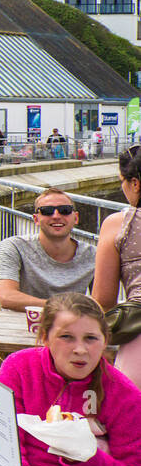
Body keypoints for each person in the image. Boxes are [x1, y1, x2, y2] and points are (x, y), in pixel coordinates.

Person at [0, 292, 141, 466]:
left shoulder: (124, 395)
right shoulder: (19, 368)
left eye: (91, 338)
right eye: (66, 337)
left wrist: (88, 456)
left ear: (105, 340)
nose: (80, 349)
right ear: (45, 337)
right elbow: (7, 447)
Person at [0, 191, 96, 310]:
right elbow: (7, 297)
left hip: (72, 326)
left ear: (76, 218)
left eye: (65, 210)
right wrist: (63, 308)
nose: (56, 216)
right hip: (21, 324)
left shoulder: (93, 254)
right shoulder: (14, 246)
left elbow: (102, 303)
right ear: (36, 219)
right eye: (47, 211)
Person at [92, 146, 141, 388]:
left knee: (132, 416)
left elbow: (103, 298)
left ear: (135, 183)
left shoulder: (119, 224)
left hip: (138, 336)